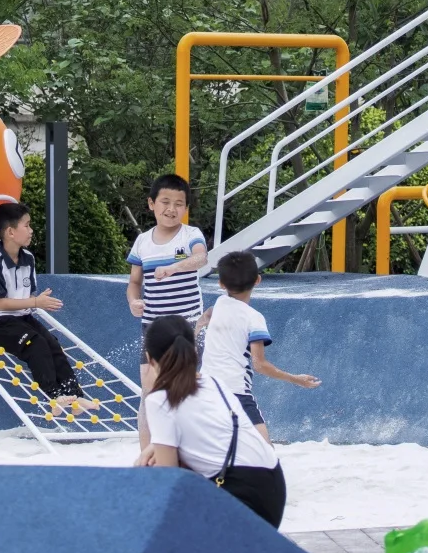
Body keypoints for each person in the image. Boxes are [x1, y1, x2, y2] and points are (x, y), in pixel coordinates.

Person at [141, 313, 286, 526]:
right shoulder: (214, 383)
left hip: (240, 490)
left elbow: (169, 479)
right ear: (194, 351)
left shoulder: (159, 400)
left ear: (150, 359)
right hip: (273, 483)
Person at [0, 201, 87, 418]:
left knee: (52, 343)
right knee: (35, 344)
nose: (31, 230)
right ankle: (55, 396)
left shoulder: (28, 259)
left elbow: (29, 295)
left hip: (22, 316)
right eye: (26, 225)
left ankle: (74, 395)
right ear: (10, 232)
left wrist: (37, 300)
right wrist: (35, 303)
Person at [128, 174, 208, 452]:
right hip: (152, 327)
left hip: (187, 326)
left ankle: (188, 452)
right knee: (149, 393)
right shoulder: (141, 242)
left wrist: (175, 267)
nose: (171, 209)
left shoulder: (191, 235)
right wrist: (133, 301)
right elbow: (135, 282)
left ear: (186, 208)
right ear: (151, 204)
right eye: (165, 202)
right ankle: (147, 456)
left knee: (184, 391)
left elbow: (201, 258)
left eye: (179, 203)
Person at [204, 250, 319, 433]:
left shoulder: (219, 304)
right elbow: (259, 365)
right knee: (265, 452)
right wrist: (295, 379)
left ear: (221, 283)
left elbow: (206, 316)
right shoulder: (254, 318)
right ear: (257, 280)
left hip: (205, 390)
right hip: (235, 392)